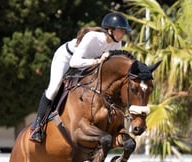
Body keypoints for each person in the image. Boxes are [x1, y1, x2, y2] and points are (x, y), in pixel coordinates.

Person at [29, 12, 133, 143]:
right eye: (121, 30)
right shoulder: (93, 37)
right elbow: (74, 62)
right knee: (54, 87)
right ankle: (37, 126)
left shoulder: (117, 44)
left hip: (86, 64)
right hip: (67, 57)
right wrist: (97, 61)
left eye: (124, 31)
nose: (123, 34)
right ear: (110, 30)